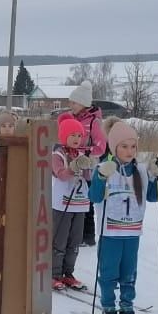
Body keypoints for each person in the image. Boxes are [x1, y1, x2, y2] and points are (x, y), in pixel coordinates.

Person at [88, 117, 158, 314]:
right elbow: (93, 196)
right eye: (124, 146)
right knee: (108, 273)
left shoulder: (141, 171)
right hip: (110, 233)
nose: (129, 150)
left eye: (133, 146)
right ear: (114, 147)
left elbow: (154, 196)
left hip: (132, 233)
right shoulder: (104, 168)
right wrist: (101, 177)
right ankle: (109, 310)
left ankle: (127, 309)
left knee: (129, 274)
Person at [50, 116, 94, 289]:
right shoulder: (58, 154)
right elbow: (60, 174)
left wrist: (88, 167)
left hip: (80, 203)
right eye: (72, 135)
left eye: (79, 135)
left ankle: (68, 272)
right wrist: (73, 167)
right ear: (64, 136)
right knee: (59, 239)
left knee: (74, 240)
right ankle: (54, 273)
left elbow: (88, 177)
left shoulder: (81, 154)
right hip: (62, 203)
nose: (77, 139)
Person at [66, 81, 106, 246]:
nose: (71, 105)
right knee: (72, 199)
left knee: (86, 202)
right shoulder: (71, 119)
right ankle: (73, 233)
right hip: (71, 166)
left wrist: (84, 152)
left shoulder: (94, 122)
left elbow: (101, 147)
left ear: (83, 103)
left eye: (74, 102)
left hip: (87, 168)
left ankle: (88, 236)